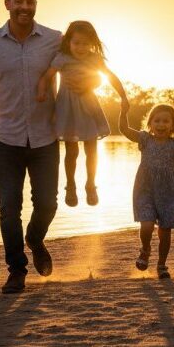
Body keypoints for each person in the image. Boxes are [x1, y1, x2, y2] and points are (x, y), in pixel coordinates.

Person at [0, 0, 96, 294]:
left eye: (29, 1)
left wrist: (91, 84)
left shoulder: (55, 40)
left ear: (36, 4)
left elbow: (86, 63)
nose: (24, 7)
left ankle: (35, 239)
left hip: (45, 136)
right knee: (9, 208)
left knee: (47, 203)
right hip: (5, 138)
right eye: (18, 1)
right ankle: (16, 270)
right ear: (7, 4)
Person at [36, 20, 129, 207]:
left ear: (92, 43)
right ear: (68, 41)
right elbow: (47, 76)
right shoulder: (63, 58)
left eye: (85, 43)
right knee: (72, 151)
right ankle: (70, 185)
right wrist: (41, 91)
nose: (80, 47)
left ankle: (91, 184)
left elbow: (110, 77)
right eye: (76, 43)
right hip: (67, 109)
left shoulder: (94, 59)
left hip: (88, 108)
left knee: (91, 149)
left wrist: (123, 97)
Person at [120, 103, 174, 279]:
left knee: (165, 231)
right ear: (150, 124)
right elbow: (124, 130)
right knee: (146, 225)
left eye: (166, 121)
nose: (161, 124)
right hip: (145, 190)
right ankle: (145, 249)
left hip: (168, 192)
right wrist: (123, 112)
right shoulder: (145, 139)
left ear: (173, 125)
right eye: (157, 121)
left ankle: (161, 264)